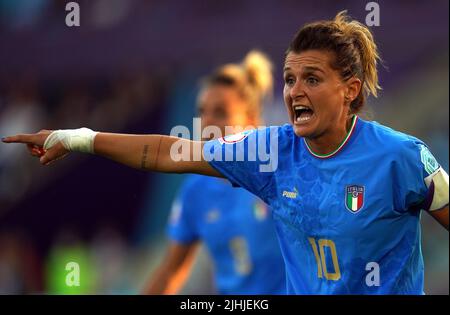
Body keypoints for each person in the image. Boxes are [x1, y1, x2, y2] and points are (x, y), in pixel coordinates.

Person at [3, 11, 448, 294]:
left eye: (312, 78)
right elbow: (167, 152)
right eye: (290, 79)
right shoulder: (270, 154)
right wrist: (79, 137)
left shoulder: (402, 158)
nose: (295, 91)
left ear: (350, 90)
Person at [142, 51, 286, 295]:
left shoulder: (280, 173)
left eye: (220, 112)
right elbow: (171, 271)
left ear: (250, 122)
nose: (206, 122)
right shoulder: (195, 189)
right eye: (202, 111)